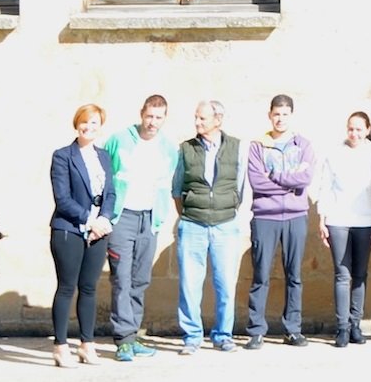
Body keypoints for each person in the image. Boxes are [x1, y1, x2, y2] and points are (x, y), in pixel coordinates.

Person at [101, 94, 174, 362]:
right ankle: (122, 339)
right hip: (123, 218)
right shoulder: (119, 139)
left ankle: (133, 334)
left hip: (150, 218)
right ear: (141, 114)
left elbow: (168, 184)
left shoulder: (168, 148)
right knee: (122, 278)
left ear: (165, 118)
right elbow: (104, 175)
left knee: (140, 279)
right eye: (149, 116)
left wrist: (161, 217)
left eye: (159, 117)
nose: (153, 122)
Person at [173, 100, 248, 354]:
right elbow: (177, 188)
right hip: (192, 224)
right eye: (196, 117)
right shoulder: (186, 149)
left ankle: (223, 335)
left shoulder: (237, 147)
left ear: (218, 120)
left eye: (202, 118)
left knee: (226, 283)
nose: (197, 122)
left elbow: (241, 186)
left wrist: (228, 207)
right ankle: (192, 337)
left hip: (226, 225)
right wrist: (189, 213)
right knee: (189, 284)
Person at [244, 94, 315, 349]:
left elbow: (305, 178)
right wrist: (287, 182)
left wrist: (273, 176)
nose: (280, 119)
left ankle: (293, 330)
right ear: (269, 115)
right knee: (261, 274)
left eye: (285, 114)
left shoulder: (303, 144)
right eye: (276, 114)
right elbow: (256, 182)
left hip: (296, 217)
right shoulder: (257, 146)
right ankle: (255, 330)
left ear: (291, 116)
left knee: (294, 275)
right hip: (265, 217)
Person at [50, 104, 116, 367]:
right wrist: (89, 221)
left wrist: (104, 219)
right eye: (84, 122)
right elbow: (62, 198)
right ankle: (60, 345)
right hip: (69, 229)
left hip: (99, 230)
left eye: (94, 123)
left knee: (89, 288)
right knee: (67, 287)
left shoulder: (104, 156)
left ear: (100, 127)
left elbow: (110, 192)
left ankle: (87, 345)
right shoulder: (63, 156)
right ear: (76, 124)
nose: (88, 128)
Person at [314, 111, 371, 348]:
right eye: (350, 129)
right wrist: (322, 219)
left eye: (358, 129)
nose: (354, 133)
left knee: (360, 274)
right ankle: (342, 327)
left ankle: (355, 324)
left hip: (366, 221)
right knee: (342, 274)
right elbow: (325, 186)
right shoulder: (335, 154)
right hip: (338, 219)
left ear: (367, 129)